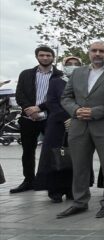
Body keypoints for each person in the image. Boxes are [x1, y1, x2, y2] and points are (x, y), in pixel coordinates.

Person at [57, 41, 104, 218]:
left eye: (102, 51)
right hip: (79, 126)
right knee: (80, 166)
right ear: (88, 53)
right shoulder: (78, 73)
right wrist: (75, 110)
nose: (97, 54)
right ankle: (80, 201)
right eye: (94, 50)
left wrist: (96, 112)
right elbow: (66, 97)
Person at [11, 45, 63, 193]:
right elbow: (20, 94)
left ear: (53, 57)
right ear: (37, 57)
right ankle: (28, 181)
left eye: (48, 55)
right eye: (42, 55)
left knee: (53, 151)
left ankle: (53, 183)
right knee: (27, 151)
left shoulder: (60, 75)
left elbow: (60, 97)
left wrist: (40, 107)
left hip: (50, 118)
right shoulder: (26, 74)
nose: (45, 58)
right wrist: (29, 110)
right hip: (28, 118)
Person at [33, 56, 79, 202]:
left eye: (76, 64)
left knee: (76, 157)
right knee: (53, 156)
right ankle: (55, 190)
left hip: (78, 122)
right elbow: (51, 102)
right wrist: (65, 118)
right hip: (56, 124)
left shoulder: (85, 82)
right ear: (63, 66)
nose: (72, 66)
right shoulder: (55, 82)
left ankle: (72, 189)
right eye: (69, 64)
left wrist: (74, 117)